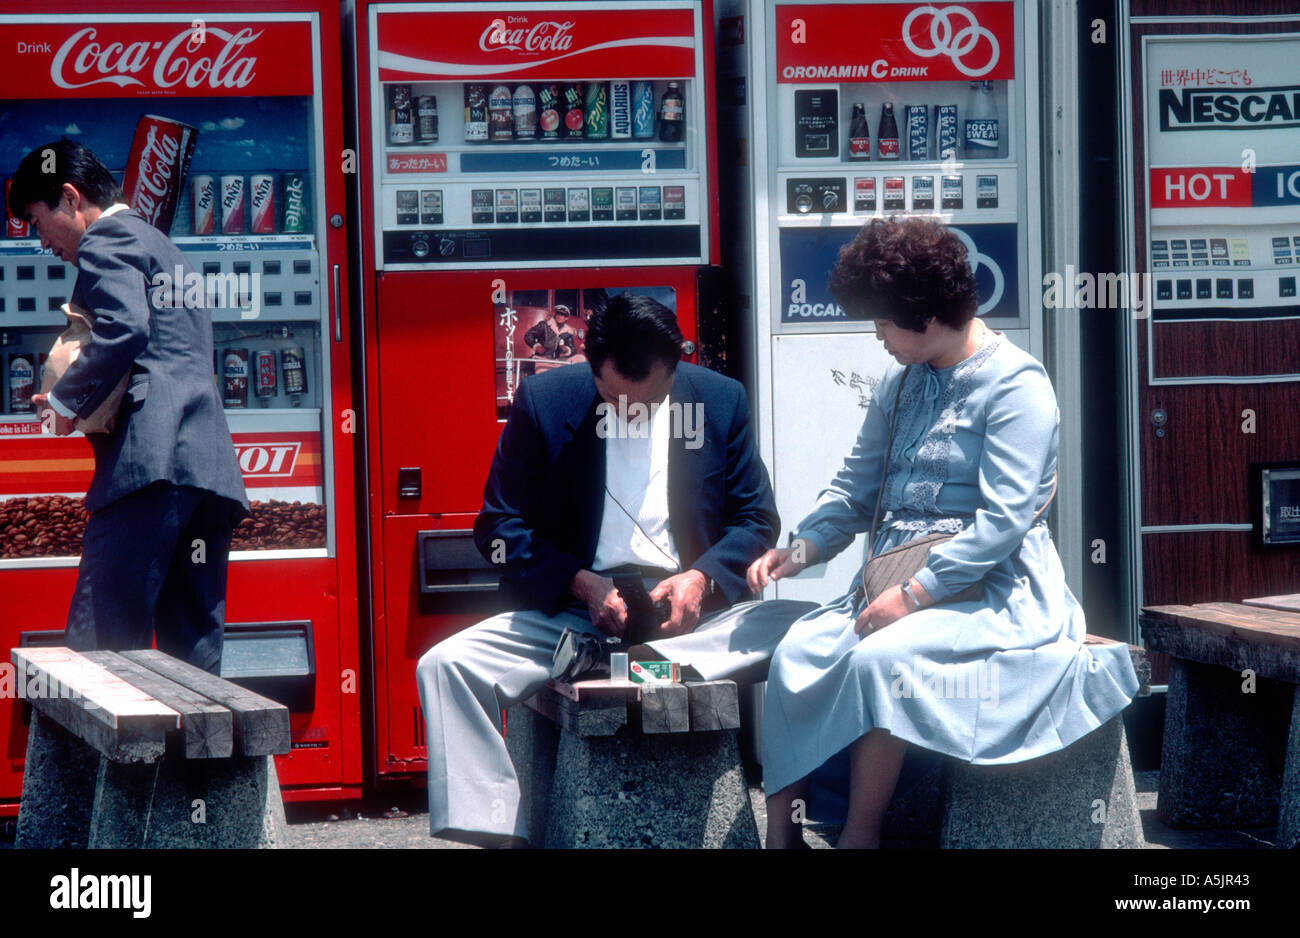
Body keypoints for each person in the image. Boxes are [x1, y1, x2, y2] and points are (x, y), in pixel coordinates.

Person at [746, 217, 1139, 848]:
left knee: (882, 659)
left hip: (996, 591)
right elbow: (855, 488)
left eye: (882, 324)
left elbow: (1004, 521)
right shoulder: (900, 384)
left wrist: (914, 596)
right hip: (896, 579)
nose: (878, 339)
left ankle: (861, 834)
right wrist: (801, 548)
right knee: (797, 651)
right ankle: (781, 835)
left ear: (924, 318)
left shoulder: (1017, 385)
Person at [416, 293, 814, 847]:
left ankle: (788, 825)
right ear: (588, 359)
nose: (629, 411)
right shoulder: (545, 400)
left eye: (647, 401)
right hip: (574, 617)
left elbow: (757, 520)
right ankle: (497, 833)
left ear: (677, 365)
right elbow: (497, 528)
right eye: (612, 397)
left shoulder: (720, 401)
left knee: (817, 632)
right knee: (444, 665)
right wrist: (579, 581)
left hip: (690, 624)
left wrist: (700, 578)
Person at [10, 140, 248, 673]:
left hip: (147, 467)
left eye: (35, 218)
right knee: (195, 661)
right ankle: (204, 761)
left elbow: (126, 329)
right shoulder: (163, 245)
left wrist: (67, 402)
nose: (39, 240)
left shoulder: (106, 239)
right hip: (206, 471)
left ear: (70, 198)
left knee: (101, 651)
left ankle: (98, 764)